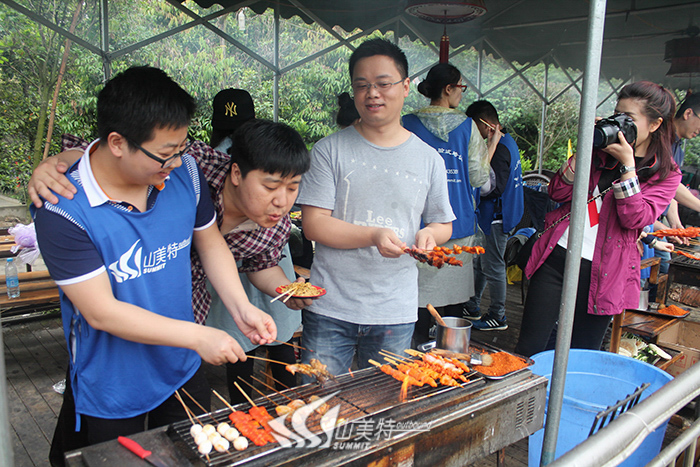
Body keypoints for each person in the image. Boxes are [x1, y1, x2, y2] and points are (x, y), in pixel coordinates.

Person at [30, 67, 276, 462]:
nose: (177, 162)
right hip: (113, 380)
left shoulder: (186, 176)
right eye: (165, 154)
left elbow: (211, 243)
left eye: (182, 147)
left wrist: (240, 306)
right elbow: (101, 312)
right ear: (117, 142)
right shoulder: (63, 209)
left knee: (193, 456)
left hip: (180, 363)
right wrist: (198, 337)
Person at [30, 118, 311, 406]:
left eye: (293, 188)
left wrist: (285, 291)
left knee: (177, 402)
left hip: (185, 309)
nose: (282, 201)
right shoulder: (193, 165)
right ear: (237, 173)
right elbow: (117, 154)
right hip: (128, 298)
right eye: (271, 187)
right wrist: (57, 164)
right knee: (103, 399)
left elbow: (261, 265)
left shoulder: (276, 225)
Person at [296, 38, 455, 379]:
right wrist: (373, 235)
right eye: (362, 86)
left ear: (406, 86)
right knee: (313, 408)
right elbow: (314, 225)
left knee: (385, 411)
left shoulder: (428, 159)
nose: (373, 94)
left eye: (383, 84)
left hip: (394, 311)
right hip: (330, 308)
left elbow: (443, 223)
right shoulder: (328, 150)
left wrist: (429, 233)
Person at [514, 81, 681, 357]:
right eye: (617, 114)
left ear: (654, 125)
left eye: (630, 119)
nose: (620, 123)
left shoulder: (665, 173)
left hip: (606, 272)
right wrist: (586, 148)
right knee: (529, 347)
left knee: (582, 355)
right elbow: (557, 190)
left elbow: (635, 218)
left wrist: (628, 167)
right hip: (558, 259)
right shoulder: (600, 150)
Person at [401, 63, 492, 345]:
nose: (462, 95)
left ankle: (414, 353)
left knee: (417, 300)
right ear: (449, 88)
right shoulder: (467, 127)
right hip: (458, 224)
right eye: (461, 88)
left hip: (415, 226)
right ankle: (450, 353)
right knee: (454, 300)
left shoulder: (406, 123)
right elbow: (478, 177)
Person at [462, 100, 524, 331]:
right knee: (481, 262)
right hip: (502, 213)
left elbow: (489, 187)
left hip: (497, 215)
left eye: (476, 130)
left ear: (488, 126)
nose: (474, 136)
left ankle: (498, 315)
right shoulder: (508, 143)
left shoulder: (499, 148)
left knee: (494, 266)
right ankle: (473, 305)